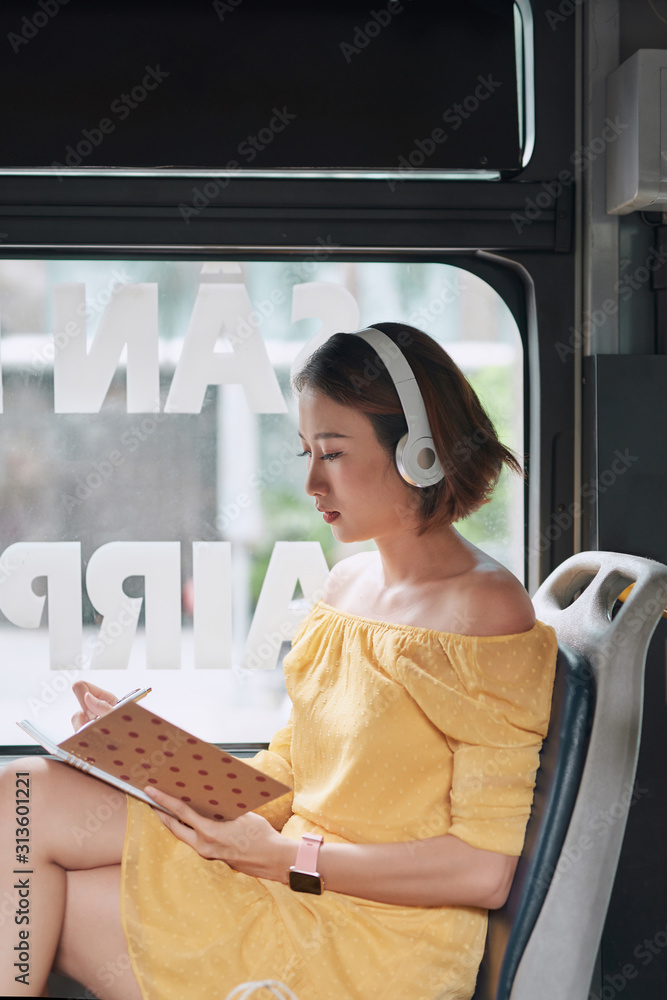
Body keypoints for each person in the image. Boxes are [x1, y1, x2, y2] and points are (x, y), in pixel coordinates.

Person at [0, 322, 558, 1000]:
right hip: (283, 872)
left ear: (420, 453)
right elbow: (290, 771)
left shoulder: (486, 611)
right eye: (305, 452)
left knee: (43, 899)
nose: (311, 482)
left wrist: (288, 858)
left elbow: (482, 870)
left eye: (332, 452)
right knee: (22, 793)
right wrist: (150, 754)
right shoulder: (345, 587)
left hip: (367, 942)